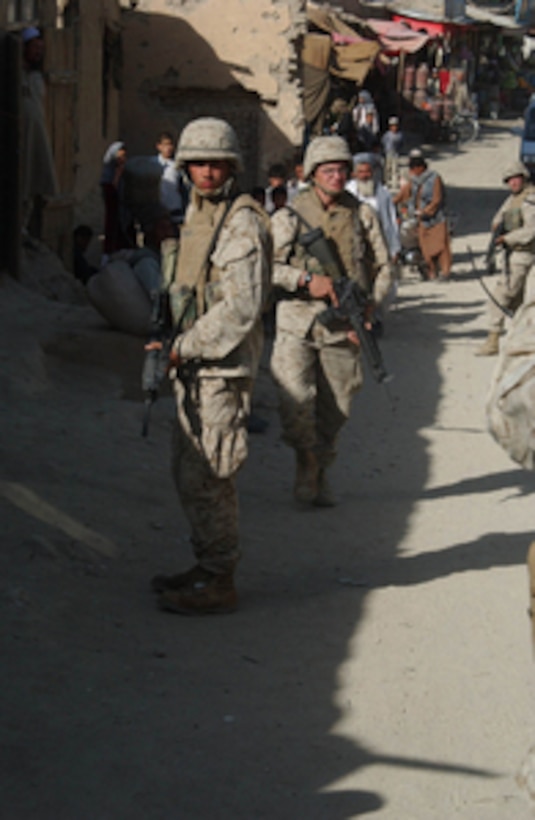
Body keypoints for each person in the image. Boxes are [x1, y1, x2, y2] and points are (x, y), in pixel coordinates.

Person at [151, 117, 272, 615]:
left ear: (231, 167)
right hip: (195, 365)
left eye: (214, 163)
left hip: (219, 367)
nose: (205, 172)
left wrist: (185, 345)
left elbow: (241, 309)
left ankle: (221, 578)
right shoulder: (199, 214)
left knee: (211, 473)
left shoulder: (241, 221)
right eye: (196, 162)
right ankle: (206, 563)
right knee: (188, 469)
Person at [270, 135, 392, 507]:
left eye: (342, 169)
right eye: (329, 170)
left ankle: (321, 468)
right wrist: (307, 281)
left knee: (337, 408)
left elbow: (385, 266)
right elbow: (268, 267)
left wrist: (369, 308)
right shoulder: (289, 215)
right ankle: (305, 461)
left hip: (343, 327)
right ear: (312, 174)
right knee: (295, 400)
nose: (338, 176)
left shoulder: (362, 213)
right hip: (297, 322)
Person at [475, 160, 535, 356]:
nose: (513, 183)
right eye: (509, 180)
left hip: (523, 254)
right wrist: (497, 230)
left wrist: (507, 238)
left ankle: (493, 340)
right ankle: (522, 340)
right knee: (517, 302)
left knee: (500, 297)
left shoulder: (530, 200)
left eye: (516, 179)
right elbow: (498, 218)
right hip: (512, 254)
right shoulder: (513, 199)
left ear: (523, 178)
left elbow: (530, 231)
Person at [21, 26, 59, 241]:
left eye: (40, 48)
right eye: (34, 47)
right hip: (20, 137)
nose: (38, 52)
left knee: (35, 180)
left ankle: (24, 227)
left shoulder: (35, 76)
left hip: (36, 135)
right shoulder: (16, 75)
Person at [393, 149, 451, 281]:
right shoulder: (414, 181)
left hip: (437, 218)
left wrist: (426, 211)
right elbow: (403, 194)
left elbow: (437, 199)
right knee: (426, 248)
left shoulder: (435, 178)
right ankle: (431, 272)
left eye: (413, 170)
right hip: (421, 220)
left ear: (420, 168)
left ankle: (445, 272)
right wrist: (391, 202)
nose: (412, 173)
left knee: (441, 246)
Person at [100, 140, 135, 260]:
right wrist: (118, 174)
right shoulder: (108, 174)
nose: (122, 159)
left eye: (124, 156)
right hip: (112, 210)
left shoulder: (126, 172)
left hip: (123, 209)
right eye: (119, 156)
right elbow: (111, 190)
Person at [153, 131, 189, 229]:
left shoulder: (177, 167)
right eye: (165, 145)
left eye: (170, 145)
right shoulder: (152, 165)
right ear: (159, 146)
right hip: (157, 210)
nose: (168, 148)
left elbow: (184, 188)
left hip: (175, 209)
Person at [381, 116, 403, 190]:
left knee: (395, 168)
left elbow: (400, 144)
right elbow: (383, 143)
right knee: (387, 168)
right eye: (392, 126)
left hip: (395, 154)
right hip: (388, 153)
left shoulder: (399, 135)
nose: (394, 128)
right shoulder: (387, 135)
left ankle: (395, 183)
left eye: (395, 126)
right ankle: (386, 182)